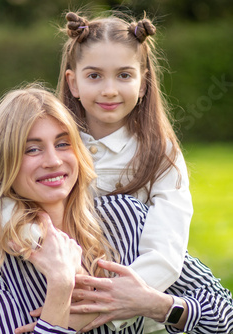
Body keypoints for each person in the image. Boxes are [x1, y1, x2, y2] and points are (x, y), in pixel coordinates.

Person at [0, 86, 233, 334]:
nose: (53, 161)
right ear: (3, 162)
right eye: (32, 149)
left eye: (63, 143)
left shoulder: (123, 216)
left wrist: (154, 304)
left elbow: (225, 316)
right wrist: (60, 285)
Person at [56, 12, 193, 333]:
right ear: (73, 82)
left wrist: (100, 307)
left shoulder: (160, 154)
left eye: (124, 75)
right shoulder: (49, 145)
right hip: (49, 299)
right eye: (94, 76)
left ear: (143, 82)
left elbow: (166, 252)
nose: (109, 90)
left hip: (128, 317)